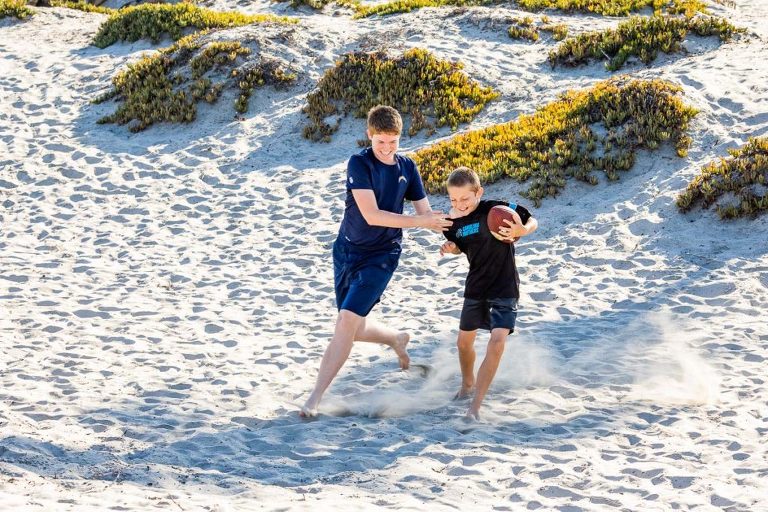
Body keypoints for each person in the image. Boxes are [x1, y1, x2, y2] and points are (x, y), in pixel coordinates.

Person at [300, 105, 452, 417]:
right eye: (380, 141)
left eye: (393, 142)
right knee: (352, 327)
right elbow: (371, 215)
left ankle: (314, 398)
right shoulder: (359, 162)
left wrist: (448, 234)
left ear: (400, 138)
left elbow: (425, 214)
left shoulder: (407, 168)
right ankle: (396, 338)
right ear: (370, 135)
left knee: (345, 323)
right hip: (346, 251)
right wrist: (420, 222)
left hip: (382, 256)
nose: (386, 148)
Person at [439, 167, 538, 420]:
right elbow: (461, 247)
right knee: (463, 344)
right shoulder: (452, 224)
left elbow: (532, 219)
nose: (459, 204)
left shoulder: (496, 209)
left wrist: (521, 231)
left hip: (505, 286)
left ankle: (475, 407)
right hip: (476, 286)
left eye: (465, 198)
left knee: (496, 343)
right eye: (453, 199)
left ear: (478, 193)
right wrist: (451, 248)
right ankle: (467, 384)